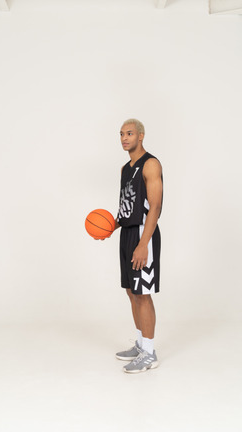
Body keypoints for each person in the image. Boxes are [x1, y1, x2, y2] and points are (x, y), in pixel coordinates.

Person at [114, 118, 163, 374]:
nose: (124, 138)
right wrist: (112, 225)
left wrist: (144, 244)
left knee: (143, 293)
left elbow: (154, 206)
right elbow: (127, 205)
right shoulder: (125, 168)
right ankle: (141, 343)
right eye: (121, 134)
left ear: (141, 136)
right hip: (128, 234)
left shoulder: (151, 164)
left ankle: (150, 353)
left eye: (129, 133)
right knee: (131, 292)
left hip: (145, 233)